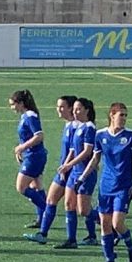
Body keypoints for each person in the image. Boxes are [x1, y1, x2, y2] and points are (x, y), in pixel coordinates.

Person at [74, 102, 132, 262]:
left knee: (117, 223)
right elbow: (95, 159)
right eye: (121, 115)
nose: (124, 118)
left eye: (126, 115)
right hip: (106, 186)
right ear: (112, 115)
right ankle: (109, 261)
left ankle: (131, 249)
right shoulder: (100, 135)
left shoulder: (131, 135)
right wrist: (82, 178)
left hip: (123, 187)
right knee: (105, 224)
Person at [23, 95, 77, 243]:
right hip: (65, 170)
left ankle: (108, 229)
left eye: (61, 107)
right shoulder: (68, 125)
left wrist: (67, 166)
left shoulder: (76, 126)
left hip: (72, 171)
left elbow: (77, 151)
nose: (58, 110)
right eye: (57, 106)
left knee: (82, 209)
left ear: (71, 108)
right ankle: (43, 234)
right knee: (52, 200)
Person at [55, 97, 101, 249]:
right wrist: (66, 166)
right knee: (68, 204)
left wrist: (70, 164)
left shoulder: (89, 128)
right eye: (74, 109)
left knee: (84, 210)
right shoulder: (78, 127)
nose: (75, 112)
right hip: (74, 172)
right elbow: (73, 150)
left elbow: (87, 152)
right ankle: (71, 239)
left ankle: (109, 224)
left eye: (78, 109)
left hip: (86, 173)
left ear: (87, 110)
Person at [9, 90, 49, 236]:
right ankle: (41, 219)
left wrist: (22, 147)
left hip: (35, 156)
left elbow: (39, 136)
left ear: (21, 103)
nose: (12, 108)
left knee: (21, 187)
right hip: (31, 155)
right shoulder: (25, 116)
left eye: (13, 104)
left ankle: (47, 210)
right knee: (36, 186)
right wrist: (21, 151)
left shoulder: (30, 116)